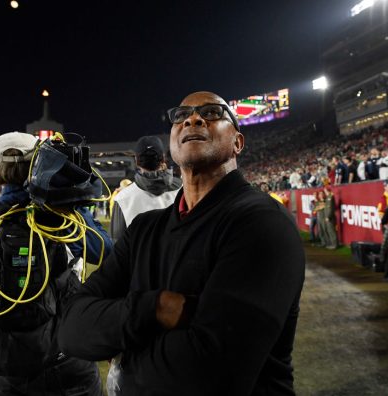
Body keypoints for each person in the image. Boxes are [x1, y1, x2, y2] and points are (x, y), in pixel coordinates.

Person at [59, 91, 306, 395]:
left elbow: (209, 374)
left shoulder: (263, 223)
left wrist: (126, 361)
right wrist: (155, 307)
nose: (193, 118)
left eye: (213, 113)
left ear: (237, 143)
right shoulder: (144, 229)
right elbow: (71, 328)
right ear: (172, 144)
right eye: (181, 115)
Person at [0, 131, 113, 396]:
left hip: (8, 362)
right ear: (40, 164)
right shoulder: (64, 216)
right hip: (66, 356)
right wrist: (72, 198)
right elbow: (104, 251)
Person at [110, 135, 182, 242]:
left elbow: (117, 245)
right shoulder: (186, 191)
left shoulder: (122, 198)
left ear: (137, 160)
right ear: (163, 159)